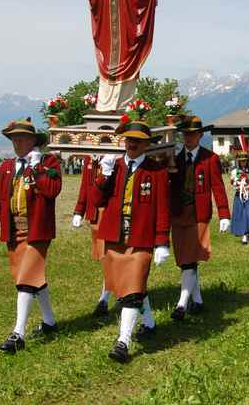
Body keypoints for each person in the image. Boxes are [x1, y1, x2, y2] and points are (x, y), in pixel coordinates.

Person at [0, 118, 62, 354]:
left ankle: (18, 333)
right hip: (14, 232)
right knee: (31, 279)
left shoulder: (49, 162)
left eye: (22, 139)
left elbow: (52, 191)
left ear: (33, 141)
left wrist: (37, 169)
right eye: (14, 139)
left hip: (37, 231)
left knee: (26, 281)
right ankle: (49, 322)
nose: (17, 143)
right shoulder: (7, 167)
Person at [92, 120, 171, 363]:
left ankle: (123, 341)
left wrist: (161, 242)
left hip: (141, 236)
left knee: (132, 289)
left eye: (137, 140)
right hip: (115, 235)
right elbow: (97, 200)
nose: (132, 144)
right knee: (129, 286)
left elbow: (162, 209)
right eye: (129, 139)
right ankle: (149, 323)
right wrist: (102, 178)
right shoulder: (113, 167)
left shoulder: (156, 171)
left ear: (146, 144)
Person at [88, 0, 166, 112]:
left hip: (107, 38)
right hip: (126, 38)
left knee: (108, 66)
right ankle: (121, 106)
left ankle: (104, 105)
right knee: (127, 65)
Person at [169, 116, 230, 321]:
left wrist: (224, 214)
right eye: (185, 134)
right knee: (184, 259)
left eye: (192, 134)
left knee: (191, 258)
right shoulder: (176, 160)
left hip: (199, 215)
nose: (188, 138)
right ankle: (198, 300)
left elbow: (218, 187)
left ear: (200, 135)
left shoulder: (210, 159)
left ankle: (181, 304)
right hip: (178, 215)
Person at [72, 155, 112, 316]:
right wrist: (79, 211)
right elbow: (85, 186)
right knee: (105, 258)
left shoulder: (115, 156)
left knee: (110, 257)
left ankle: (104, 298)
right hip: (94, 215)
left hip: (109, 213)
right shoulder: (90, 158)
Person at [229, 151, 249, 244]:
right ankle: (243, 235)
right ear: (238, 161)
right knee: (242, 214)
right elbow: (233, 184)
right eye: (241, 161)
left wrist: (247, 187)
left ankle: (248, 234)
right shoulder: (235, 171)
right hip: (240, 196)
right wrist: (238, 185)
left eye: (244, 161)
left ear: (247, 161)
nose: (243, 162)